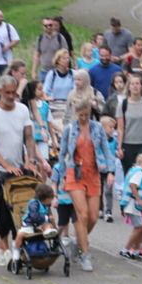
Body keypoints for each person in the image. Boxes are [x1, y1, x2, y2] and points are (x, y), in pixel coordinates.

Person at [0, 75, 44, 266]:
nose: (10, 96)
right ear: (0, 92)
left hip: (18, 165)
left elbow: (29, 138)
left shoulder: (23, 110)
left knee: (18, 206)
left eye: (13, 92)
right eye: (6, 92)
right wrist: (5, 165)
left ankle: (20, 245)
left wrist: (31, 160)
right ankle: (3, 247)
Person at [58, 99, 116, 272]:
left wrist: (111, 170)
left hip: (93, 173)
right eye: (81, 115)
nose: (84, 118)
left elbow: (106, 149)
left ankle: (77, 241)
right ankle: (85, 254)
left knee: (92, 217)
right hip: (75, 174)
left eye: (87, 115)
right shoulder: (70, 129)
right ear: (76, 114)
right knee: (82, 215)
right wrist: (62, 177)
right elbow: (62, 154)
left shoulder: (97, 127)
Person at [14, 183, 59, 257]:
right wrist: (47, 218)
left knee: (48, 225)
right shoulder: (34, 204)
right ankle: (16, 249)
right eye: (51, 199)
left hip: (41, 223)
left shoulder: (46, 204)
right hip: (30, 224)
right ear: (46, 199)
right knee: (20, 235)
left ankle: (48, 232)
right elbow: (34, 215)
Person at [22, 80, 56, 163]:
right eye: (39, 89)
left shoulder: (45, 105)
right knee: (34, 162)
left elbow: (49, 123)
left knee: (44, 161)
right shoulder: (26, 105)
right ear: (33, 91)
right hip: (31, 138)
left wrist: (53, 140)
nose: (42, 91)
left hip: (42, 138)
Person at [42, 49, 74, 129]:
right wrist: (47, 97)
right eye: (64, 58)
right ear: (58, 60)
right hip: (55, 105)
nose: (66, 60)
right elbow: (44, 91)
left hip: (68, 104)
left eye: (67, 58)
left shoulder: (73, 74)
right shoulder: (52, 74)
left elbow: (75, 91)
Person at [32, 17, 69, 82]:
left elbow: (66, 54)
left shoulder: (59, 38)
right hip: (44, 72)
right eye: (46, 25)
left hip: (57, 71)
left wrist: (65, 69)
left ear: (53, 26)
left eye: (50, 25)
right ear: (43, 27)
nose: (48, 27)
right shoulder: (40, 38)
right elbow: (37, 56)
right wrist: (34, 71)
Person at [99, 116, 121, 222]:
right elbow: (96, 153)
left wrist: (119, 153)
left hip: (110, 170)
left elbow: (116, 151)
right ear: (103, 128)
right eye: (110, 127)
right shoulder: (98, 141)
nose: (113, 130)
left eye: (114, 128)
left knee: (108, 191)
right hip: (99, 169)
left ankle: (108, 211)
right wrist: (100, 163)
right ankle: (100, 209)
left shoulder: (114, 140)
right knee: (99, 190)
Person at [50, 161, 77, 242]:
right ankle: (55, 239)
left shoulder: (77, 166)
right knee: (62, 224)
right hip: (62, 202)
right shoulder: (57, 167)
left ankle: (76, 243)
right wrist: (54, 198)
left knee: (77, 223)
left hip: (76, 201)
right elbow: (54, 184)